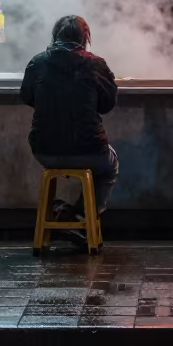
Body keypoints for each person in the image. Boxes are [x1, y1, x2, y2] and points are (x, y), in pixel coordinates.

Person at [20, 15, 119, 242]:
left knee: (95, 162)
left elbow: (27, 96)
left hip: (45, 150)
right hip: (90, 150)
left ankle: (64, 211)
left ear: (55, 36)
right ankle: (80, 217)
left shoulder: (37, 62)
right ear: (85, 38)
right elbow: (107, 105)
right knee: (109, 167)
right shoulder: (96, 64)